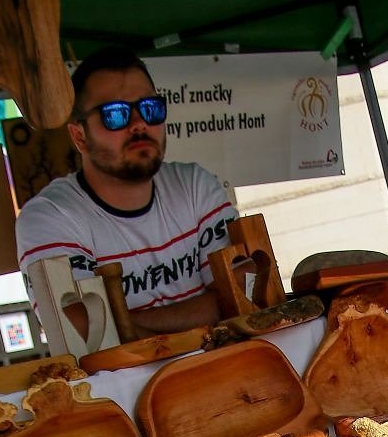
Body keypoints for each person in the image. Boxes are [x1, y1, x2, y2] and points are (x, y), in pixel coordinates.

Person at [15, 45, 236, 335]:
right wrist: (209, 311)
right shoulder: (49, 219)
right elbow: (84, 333)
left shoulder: (196, 185)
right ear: (79, 136)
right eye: (115, 114)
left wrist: (129, 325)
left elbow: (243, 290)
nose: (139, 124)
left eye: (150, 108)